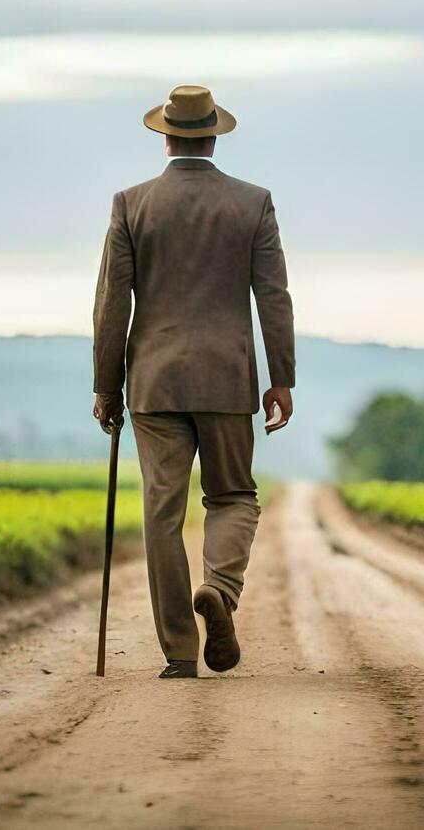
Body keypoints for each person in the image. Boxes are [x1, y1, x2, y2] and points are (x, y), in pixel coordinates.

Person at [92, 84, 295, 679]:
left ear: (165, 137)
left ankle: (180, 652)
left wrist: (106, 386)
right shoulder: (252, 202)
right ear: (213, 134)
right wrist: (280, 377)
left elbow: (112, 303)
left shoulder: (131, 204)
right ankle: (220, 591)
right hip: (228, 379)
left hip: (154, 383)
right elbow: (273, 297)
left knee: (162, 512)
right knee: (233, 495)